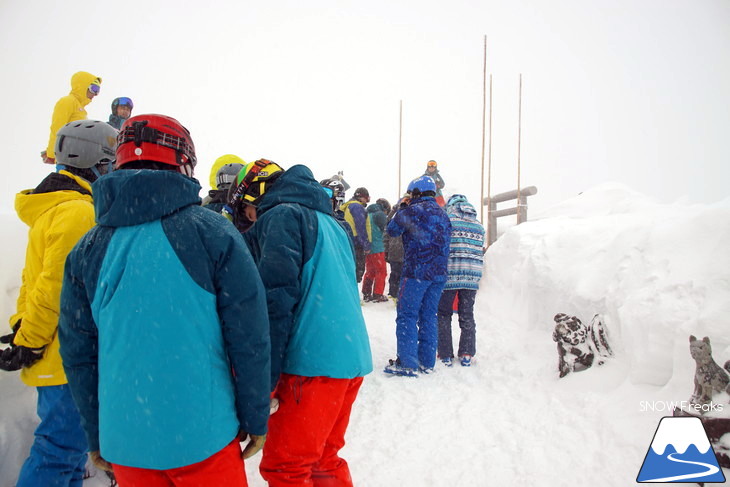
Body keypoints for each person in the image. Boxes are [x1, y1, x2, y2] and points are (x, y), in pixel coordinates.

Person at [57, 114, 271, 487]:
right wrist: (255, 417)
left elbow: (79, 353)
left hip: (126, 443)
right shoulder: (212, 231)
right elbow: (249, 336)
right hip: (204, 436)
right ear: (183, 161)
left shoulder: (86, 250)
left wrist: (96, 432)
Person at [228, 159, 372, 486]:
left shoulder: (280, 216)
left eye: (247, 213)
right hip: (348, 361)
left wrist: (261, 384)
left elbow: (275, 305)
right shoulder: (331, 222)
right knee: (323, 459)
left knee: (286, 468)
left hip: (310, 366)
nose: (250, 221)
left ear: (255, 196)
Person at [0, 120, 117, 487]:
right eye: (109, 163)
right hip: (66, 358)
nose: (112, 171)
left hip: (58, 355)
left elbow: (31, 281)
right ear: (95, 161)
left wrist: (24, 327)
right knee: (58, 453)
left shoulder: (55, 209)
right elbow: (55, 289)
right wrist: (30, 340)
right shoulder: (79, 213)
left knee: (67, 457)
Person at [384, 176, 451, 377]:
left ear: (415, 193)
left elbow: (392, 230)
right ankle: (427, 361)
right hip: (439, 275)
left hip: (416, 273)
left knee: (407, 315)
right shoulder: (443, 214)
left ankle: (407, 362)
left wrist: (400, 206)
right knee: (429, 316)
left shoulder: (412, 211)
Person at [437, 194, 485, 367]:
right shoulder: (479, 226)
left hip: (450, 274)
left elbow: (441, 246)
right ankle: (466, 353)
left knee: (443, 313)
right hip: (472, 275)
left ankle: (445, 354)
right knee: (467, 315)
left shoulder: (448, 221)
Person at [42, 71, 102, 165]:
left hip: (75, 156)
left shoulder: (81, 109)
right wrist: (52, 154)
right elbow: (57, 128)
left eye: (98, 90)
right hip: (67, 156)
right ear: (82, 86)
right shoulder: (67, 101)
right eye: (94, 88)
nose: (95, 93)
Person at [362, 198, 390, 303]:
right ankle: (378, 294)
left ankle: (366, 292)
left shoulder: (368, 213)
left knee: (370, 271)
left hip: (368, 247)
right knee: (381, 271)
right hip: (378, 247)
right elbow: (386, 229)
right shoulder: (380, 214)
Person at [340, 187, 371, 282]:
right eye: (366, 198)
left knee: (348, 271)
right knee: (356, 272)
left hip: (347, 241)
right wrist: (366, 245)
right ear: (362, 197)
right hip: (356, 243)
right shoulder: (357, 207)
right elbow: (361, 227)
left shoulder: (348, 206)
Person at [383, 195, 406, 299]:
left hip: (394, 250)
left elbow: (386, 234)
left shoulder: (393, 217)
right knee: (400, 274)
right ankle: (398, 293)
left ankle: (393, 293)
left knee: (395, 274)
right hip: (402, 251)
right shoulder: (411, 216)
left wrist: (386, 250)